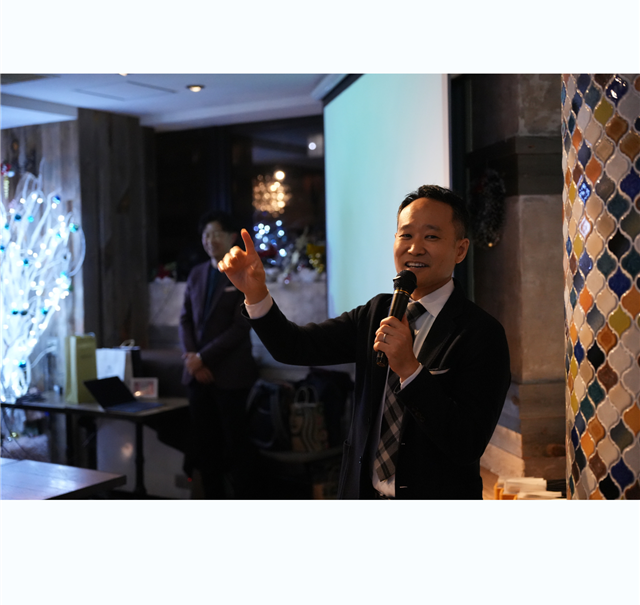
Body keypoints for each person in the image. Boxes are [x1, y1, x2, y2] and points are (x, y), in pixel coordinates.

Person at [218, 186, 511, 500]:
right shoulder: (377, 312)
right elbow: (294, 346)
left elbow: (466, 443)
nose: (415, 248)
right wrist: (256, 294)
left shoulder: (482, 333)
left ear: (460, 250)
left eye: (431, 237)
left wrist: (410, 371)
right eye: (406, 235)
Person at [179, 210, 258, 498]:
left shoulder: (244, 273)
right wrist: (192, 358)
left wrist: (203, 358)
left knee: (237, 449)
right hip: (198, 377)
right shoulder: (197, 273)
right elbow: (185, 319)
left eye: (215, 234)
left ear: (231, 236)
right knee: (205, 449)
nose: (209, 240)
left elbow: (241, 326)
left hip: (231, 377)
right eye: (206, 235)